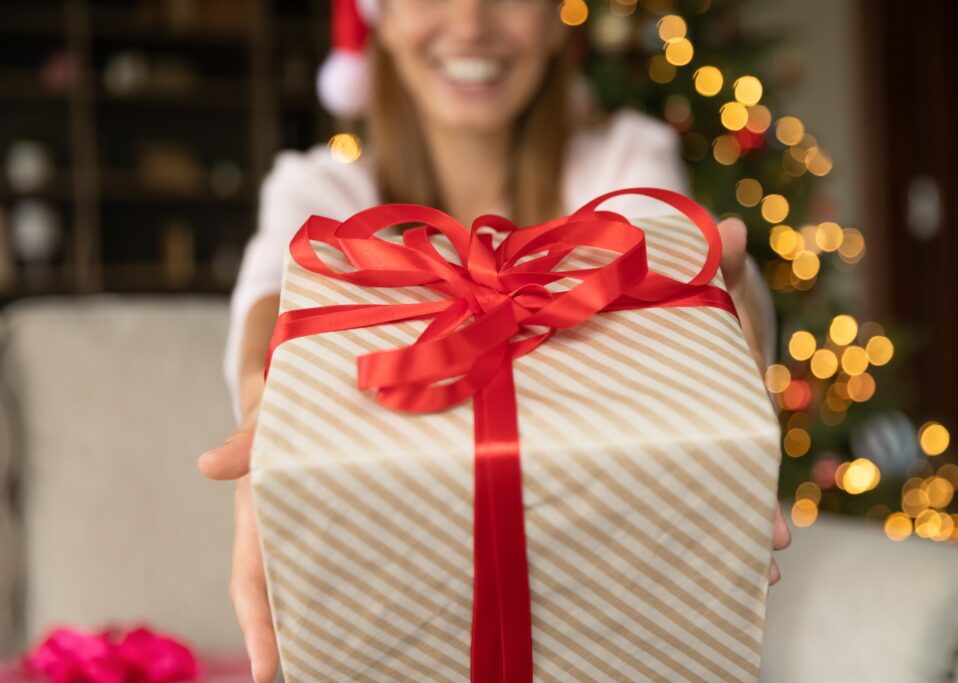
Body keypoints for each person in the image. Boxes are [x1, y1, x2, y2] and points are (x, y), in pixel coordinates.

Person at [197, 0, 792, 679]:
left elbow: (682, 273)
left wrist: (733, 325)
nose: (472, 20)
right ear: (377, 21)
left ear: (555, 20)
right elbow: (272, 306)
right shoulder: (319, 187)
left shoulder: (627, 157)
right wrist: (267, 410)